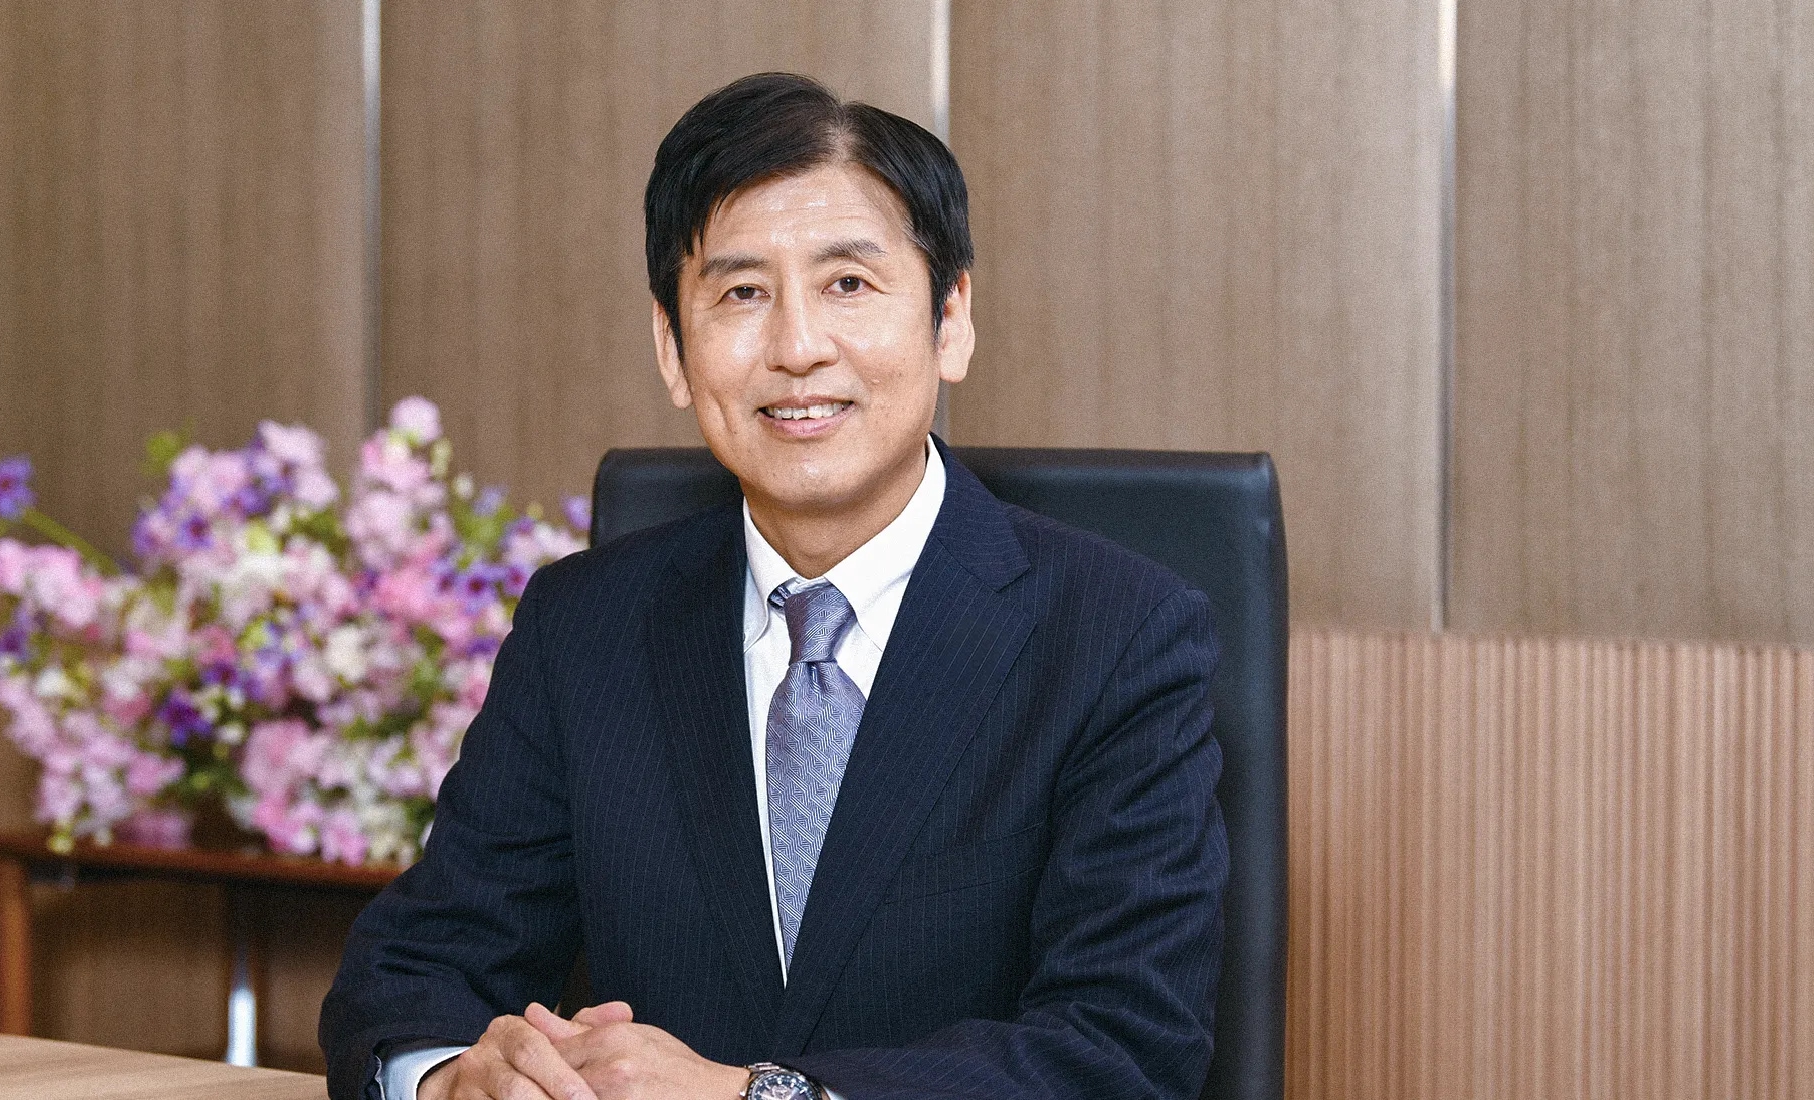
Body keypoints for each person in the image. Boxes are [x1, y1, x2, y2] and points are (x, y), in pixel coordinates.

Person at [320, 72, 1227, 1100]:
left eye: (849, 284)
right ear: (673, 348)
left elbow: (1121, 1049)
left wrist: (752, 1094)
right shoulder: (586, 627)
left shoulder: (1118, 636)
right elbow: (414, 970)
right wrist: (451, 1078)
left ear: (951, 319)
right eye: (742, 293)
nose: (797, 348)